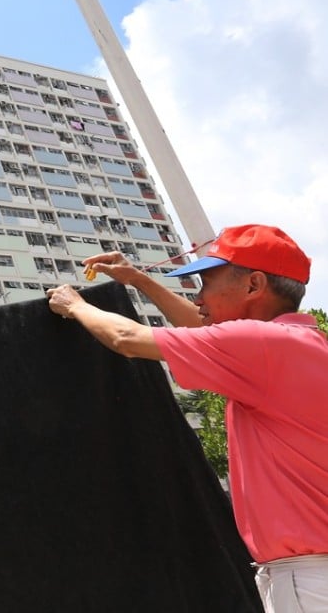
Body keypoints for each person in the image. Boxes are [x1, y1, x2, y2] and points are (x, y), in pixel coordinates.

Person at [45, 224, 328, 613]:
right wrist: (139, 280)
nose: (198, 298)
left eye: (205, 282)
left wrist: (74, 304)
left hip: (310, 578)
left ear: (253, 285)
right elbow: (204, 328)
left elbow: (127, 339)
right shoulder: (301, 345)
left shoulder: (261, 346)